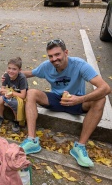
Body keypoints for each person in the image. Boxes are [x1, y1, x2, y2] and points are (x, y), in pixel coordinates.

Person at [19, 39, 110, 168]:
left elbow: (105, 88)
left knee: (101, 99)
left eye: (57, 54)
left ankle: (79, 147)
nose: (54, 59)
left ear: (66, 52)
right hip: (57, 99)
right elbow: (30, 73)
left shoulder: (79, 65)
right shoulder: (46, 66)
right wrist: (12, 73)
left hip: (76, 101)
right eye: (51, 56)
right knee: (31, 93)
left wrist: (79, 99)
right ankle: (32, 140)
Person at [0, 57, 28, 133]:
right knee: (0, 99)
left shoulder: (22, 78)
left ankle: (16, 121)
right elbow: (1, 90)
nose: (11, 71)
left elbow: (23, 95)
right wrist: (6, 92)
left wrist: (11, 93)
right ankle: (0, 116)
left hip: (18, 97)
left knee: (14, 104)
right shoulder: (6, 76)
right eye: (9, 68)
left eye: (14, 69)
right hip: (9, 94)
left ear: (19, 70)